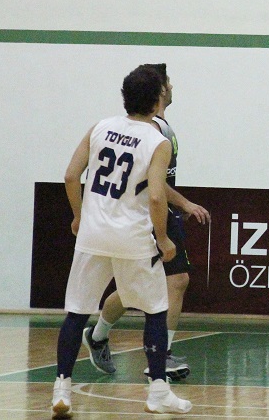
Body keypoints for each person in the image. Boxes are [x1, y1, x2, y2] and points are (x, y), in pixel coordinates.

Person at [52, 65, 191, 418]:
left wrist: (78, 216)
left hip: (93, 234)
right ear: (157, 99)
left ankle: (62, 389)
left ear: (125, 97)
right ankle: (158, 391)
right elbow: (156, 197)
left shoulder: (100, 127)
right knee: (156, 309)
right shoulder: (157, 141)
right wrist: (164, 239)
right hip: (131, 237)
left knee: (76, 312)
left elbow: (71, 176)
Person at [83, 63, 210, 381]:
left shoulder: (161, 126)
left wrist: (177, 203)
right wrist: (183, 203)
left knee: (134, 288)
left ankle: (97, 336)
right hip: (148, 213)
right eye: (169, 81)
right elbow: (153, 184)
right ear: (160, 90)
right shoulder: (152, 130)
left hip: (153, 210)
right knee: (177, 280)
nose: (173, 86)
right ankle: (161, 356)